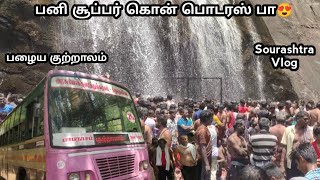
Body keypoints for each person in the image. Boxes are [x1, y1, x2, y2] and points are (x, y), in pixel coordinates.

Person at [280, 111, 313, 179]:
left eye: (308, 119)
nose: (307, 121)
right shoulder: (289, 130)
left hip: (306, 162)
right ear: (298, 119)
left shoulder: (310, 130)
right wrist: (282, 163)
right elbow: (284, 148)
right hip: (292, 162)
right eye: (305, 119)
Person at [195, 110, 213, 180]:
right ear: (207, 119)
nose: (212, 120)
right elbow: (202, 147)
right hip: (203, 160)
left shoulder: (204, 128)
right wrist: (206, 164)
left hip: (205, 159)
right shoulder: (202, 130)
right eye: (211, 118)